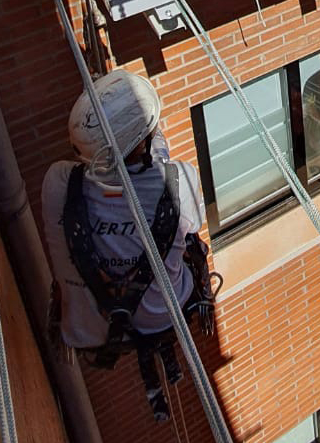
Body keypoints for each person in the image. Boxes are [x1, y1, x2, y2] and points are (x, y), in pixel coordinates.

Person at [42, 69, 215, 420]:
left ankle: (154, 360)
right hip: (165, 313)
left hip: (89, 327)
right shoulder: (179, 180)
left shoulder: (57, 183)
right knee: (192, 246)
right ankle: (163, 352)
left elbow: (125, 166)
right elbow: (166, 177)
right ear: (141, 142)